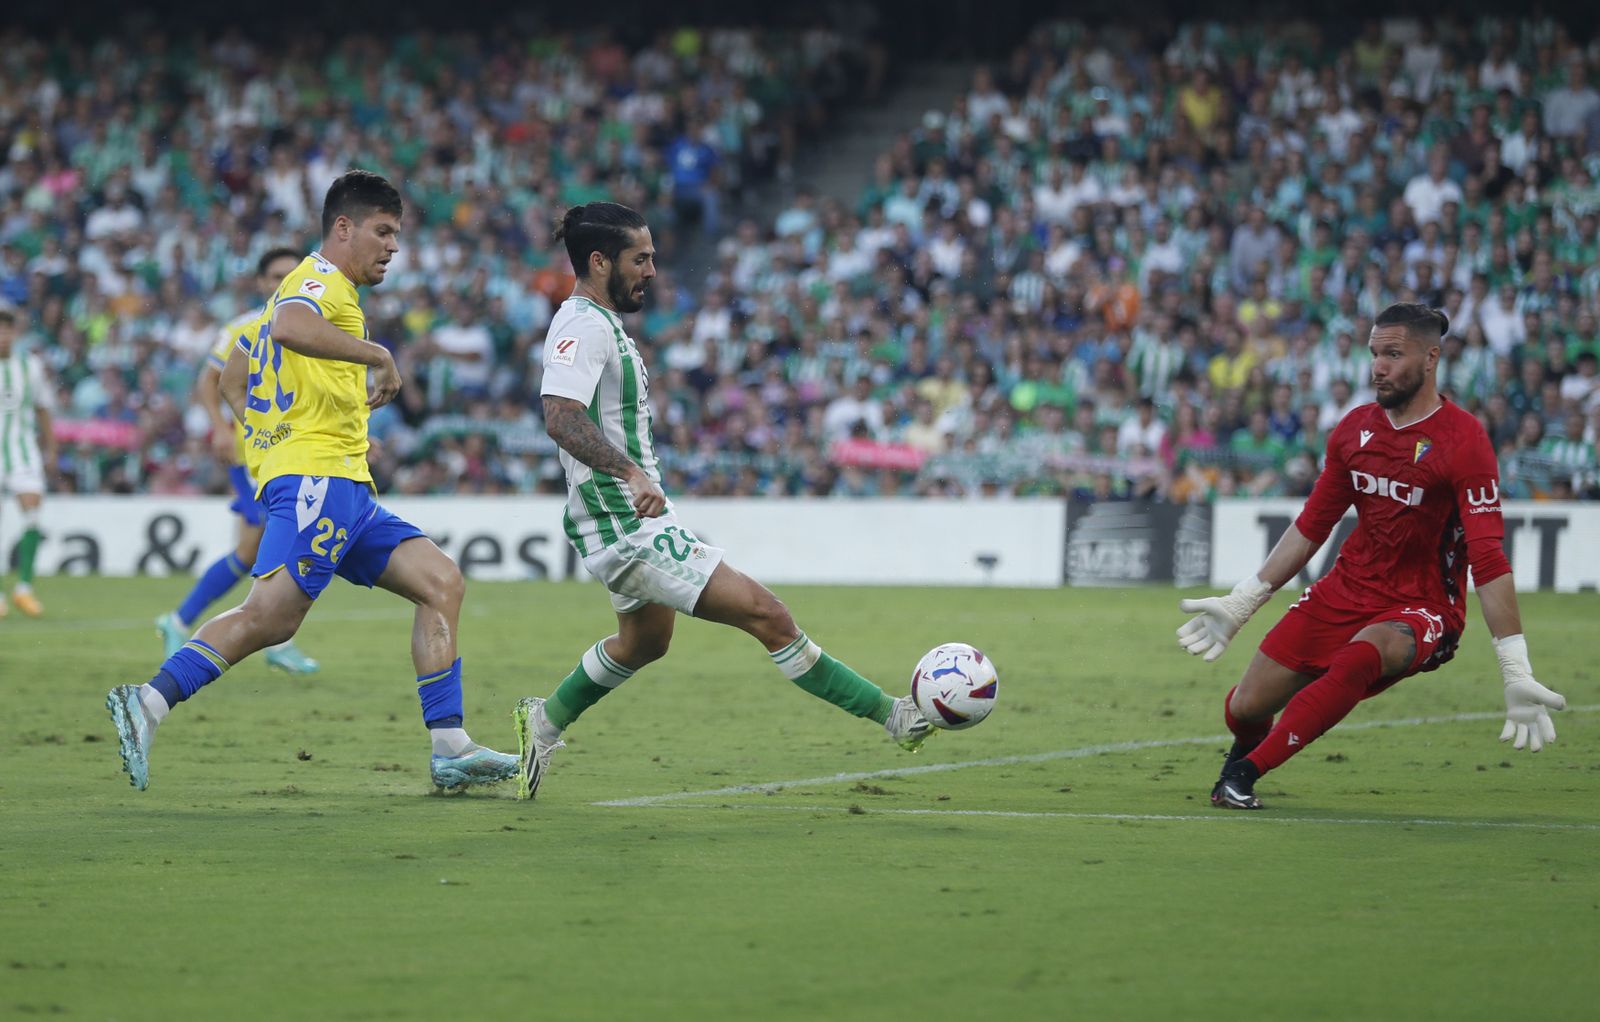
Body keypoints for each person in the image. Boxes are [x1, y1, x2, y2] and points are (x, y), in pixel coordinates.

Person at [106, 171, 516, 792]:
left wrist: (271, 432)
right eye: (383, 231)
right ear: (343, 228)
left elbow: (232, 378)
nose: (393, 247)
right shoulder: (320, 283)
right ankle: (149, 700)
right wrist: (377, 357)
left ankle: (450, 745)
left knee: (440, 582)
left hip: (341, 482)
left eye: (397, 234)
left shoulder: (290, 294)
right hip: (318, 482)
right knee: (271, 618)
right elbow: (291, 329)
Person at [513, 202, 932, 800]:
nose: (652, 270)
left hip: (632, 513)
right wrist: (630, 471)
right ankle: (896, 717)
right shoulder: (580, 326)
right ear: (599, 261)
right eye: (641, 258)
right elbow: (559, 417)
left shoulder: (606, 324)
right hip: (621, 520)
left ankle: (543, 722)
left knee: (645, 643)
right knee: (769, 615)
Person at [1176, 303, 1567, 809]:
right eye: (1374, 353)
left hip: (1423, 607)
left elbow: (1488, 557)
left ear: (1431, 359)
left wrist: (1515, 668)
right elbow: (1311, 526)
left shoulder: (1465, 440)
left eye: (1393, 354)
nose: (1377, 366)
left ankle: (1244, 775)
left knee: (1364, 652)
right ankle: (1246, 751)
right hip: (1346, 589)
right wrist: (1242, 602)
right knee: (1245, 707)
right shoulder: (1354, 429)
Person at [153, 248, 318, 673]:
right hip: (252, 457)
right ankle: (268, 638)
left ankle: (179, 620)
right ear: (262, 282)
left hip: (292, 453)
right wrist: (220, 427)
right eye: (276, 275)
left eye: (290, 274)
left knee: (252, 551)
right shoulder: (242, 327)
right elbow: (208, 382)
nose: (283, 281)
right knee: (274, 544)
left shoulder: (311, 325)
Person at [0, 307, 56, 617]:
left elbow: (43, 408)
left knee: (32, 512)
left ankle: (23, 588)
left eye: (7, 330)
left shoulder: (29, 366)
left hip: (22, 451)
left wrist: (52, 449)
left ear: (14, 333)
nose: (2, 335)